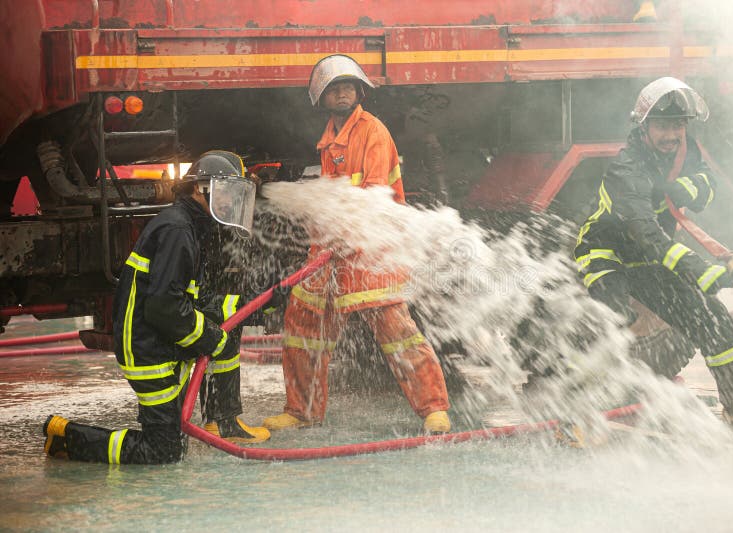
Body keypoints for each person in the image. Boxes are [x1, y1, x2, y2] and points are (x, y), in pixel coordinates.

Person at [573, 77, 733, 429]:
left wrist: (686, 188)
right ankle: (576, 419)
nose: (672, 135)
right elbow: (647, 235)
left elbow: (708, 184)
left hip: (647, 260)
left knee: (711, 316)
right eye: (663, 126)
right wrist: (699, 269)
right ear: (644, 127)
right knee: (610, 324)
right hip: (606, 255)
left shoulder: (684, 152)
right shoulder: (627, 169)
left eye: (678, 126)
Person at [262, 54, 451, 434]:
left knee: (395, 329)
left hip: (370, 248)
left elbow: (373, 195)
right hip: (331, 249)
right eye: (334, 88)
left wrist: (343, 235)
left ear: (360, 92)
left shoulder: (372, 132)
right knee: (303, 323)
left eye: (348, 86)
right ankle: (301, 410)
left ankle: (434, 409)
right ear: (321, 98)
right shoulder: (329, 140)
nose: (343, 92)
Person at [43, 150, 270, 464]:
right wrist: (211, 338)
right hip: (148, 348)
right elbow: (164, 307)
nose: (231, 202)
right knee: (164, 451)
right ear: (200, 189)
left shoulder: (192, 225)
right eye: (227, 192)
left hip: (161, 337)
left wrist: (239, 312)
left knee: (227, 320)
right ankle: (66, 437)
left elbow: (188, 297)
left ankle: (223, 420)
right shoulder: (179, 231)